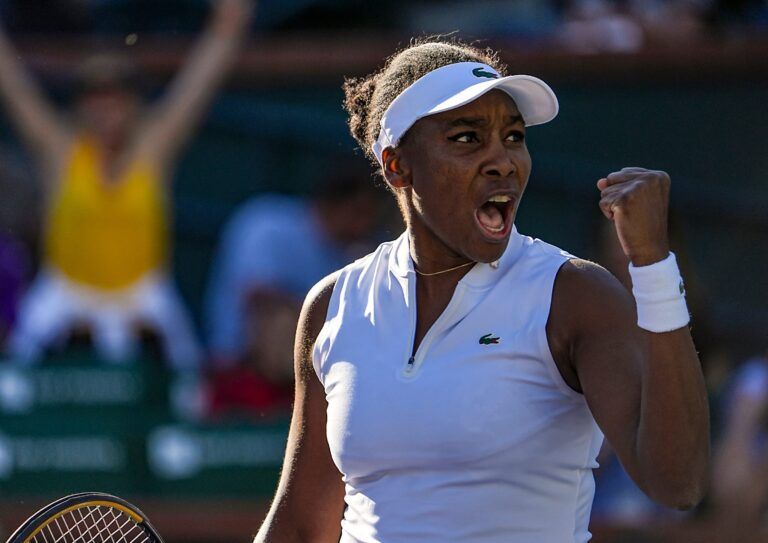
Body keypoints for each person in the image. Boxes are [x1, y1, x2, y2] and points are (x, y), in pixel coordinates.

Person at [254, 39, 710, 542]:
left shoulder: (575, 295)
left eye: (513, 137)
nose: (503, 161)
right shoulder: (333, 305)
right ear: (397, 165)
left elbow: (678, 483)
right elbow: (300, 526)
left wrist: (653, 266)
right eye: (468, 138)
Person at [0, 0, 253, 369]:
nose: (106, 111)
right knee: (15, 378)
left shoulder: (152, 150)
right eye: (95, 99)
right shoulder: (61, 151)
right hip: (66, 292)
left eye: (116, 99)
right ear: (80, 106)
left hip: (144, 295)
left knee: (189, 381)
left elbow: (198, 85)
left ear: (133, 104)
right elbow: (16, 89)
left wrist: (228, 23)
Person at [203, 162, 381, 417]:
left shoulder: (351, 251)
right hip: (239, 370)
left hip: (308, 383)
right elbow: (259, 299)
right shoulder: (269, 224)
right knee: (284, 317)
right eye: (359, 213)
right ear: (333, 203)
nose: (363, 226)